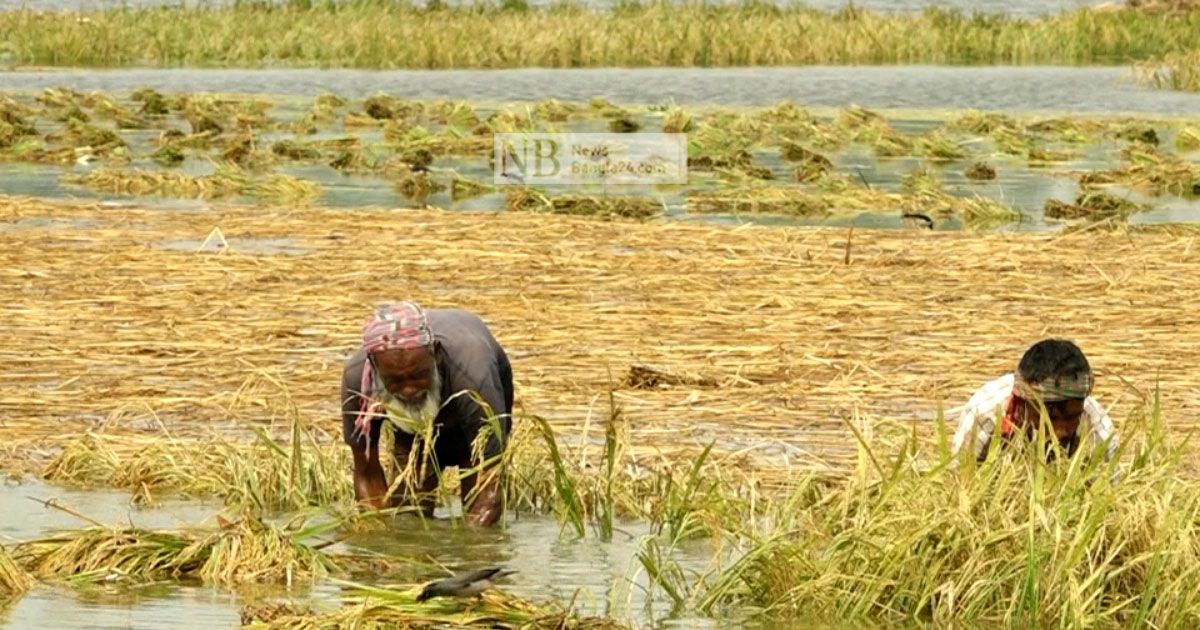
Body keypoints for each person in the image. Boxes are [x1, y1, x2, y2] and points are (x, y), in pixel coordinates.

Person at [340, 302, 513, 526]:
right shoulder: (357, 379)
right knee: (408, 513)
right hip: (411, 431)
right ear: (374, 366)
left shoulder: (473, 374)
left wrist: (470, 552)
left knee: (476, 505)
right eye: (395, 380)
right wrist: (381, 545)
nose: (409, 389)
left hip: (469, 427)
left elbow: (490, 486)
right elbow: (366, 473)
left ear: (437, 354)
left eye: (418, 374)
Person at [951, 339, 1118, 464]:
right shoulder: (985, 415)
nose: (1060, 432)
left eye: (1071, 417)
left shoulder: (1097, 431)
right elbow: (961, 483)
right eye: (1048, 418)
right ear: (1020, 402)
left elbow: (1109, 497)